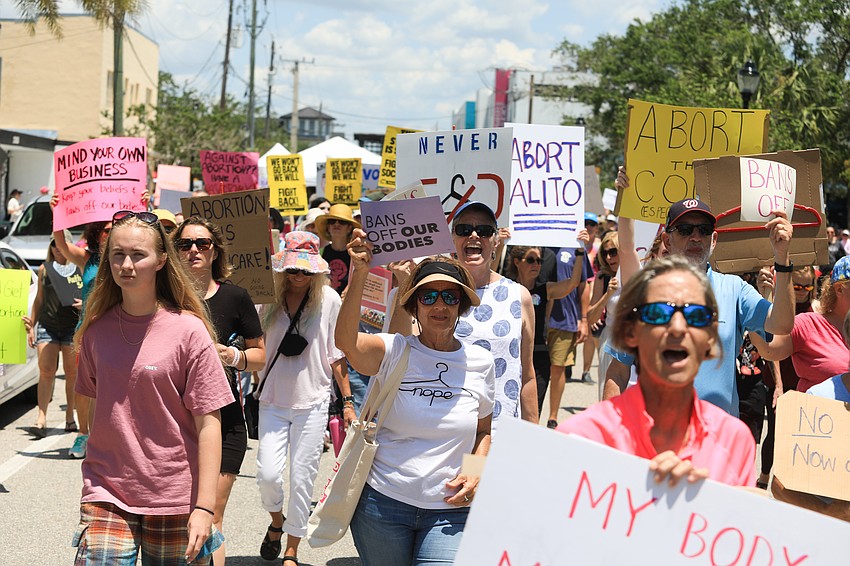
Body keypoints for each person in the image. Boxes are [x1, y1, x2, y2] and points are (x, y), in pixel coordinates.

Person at [72, 210, 233, 564]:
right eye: (118, 254)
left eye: (138, 255)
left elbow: (209, 423)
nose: (126, 265)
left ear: (161, 260)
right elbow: (98, 407)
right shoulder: (96, 332)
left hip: (174, 493)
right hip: (106, 489)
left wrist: (205, 507)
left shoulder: (189, 331)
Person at [336, 242, 495, 565]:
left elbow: (483, 432)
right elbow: (346, 343)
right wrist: (361, 272)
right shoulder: (394, 350)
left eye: (450, 296)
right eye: (429, 296)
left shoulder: (481, 362)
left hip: (450, 511)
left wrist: (477, 471)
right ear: (414, 305)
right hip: (382, 506)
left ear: (462, 305)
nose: (440, 305)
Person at [607, 169, 795, 415]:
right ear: (667, 240)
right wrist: (608, 431)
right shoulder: (645, 290)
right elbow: (618, 371)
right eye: (685, 230)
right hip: (653, 440)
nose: (696, 236)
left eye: (704, 230)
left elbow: (781, 325)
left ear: (714, 240)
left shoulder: (734, 289)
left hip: (715, 442)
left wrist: (782, 258)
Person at [558, 256, 756, 487]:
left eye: (696, 315)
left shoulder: (735, 441)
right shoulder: (580, 438)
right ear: (630, 333)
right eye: (659, 313)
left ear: (710, 338)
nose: (678, 328)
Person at [255, 231, 355, 566]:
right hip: (271, 399)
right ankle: (276, 522)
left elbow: (336, 353)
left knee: (302, 479)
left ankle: (292, 549)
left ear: (317, 272)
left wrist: (348, 401)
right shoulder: (265, 298)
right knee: (268, 476)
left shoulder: (329, 299)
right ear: (282, 268)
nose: (299, 276)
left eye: (306, 271)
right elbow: (251, 342)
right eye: (293, 269)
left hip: (312, 401)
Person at [173, 216, 267, 565]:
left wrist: (233, 355)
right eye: (185, 244)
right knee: (179, 519)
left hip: (226, 422)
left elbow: (260, 356)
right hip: (176, 424)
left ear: (215, 252)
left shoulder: (235, 296)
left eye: (203, 243)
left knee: (210, 516)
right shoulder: (165, 298)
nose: (194, 249)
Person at [450, 201, 537, 427]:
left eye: (485, 231)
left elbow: (527, 374)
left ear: (496, 241)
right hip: (447, 434)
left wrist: (533, 433)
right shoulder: (434, 293)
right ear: (452, 239)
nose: (474, 235)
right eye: (464, 230)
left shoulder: (519, 296)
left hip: (500, 430)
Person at [770, 310, 850, 521]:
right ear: (847, 339)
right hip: (828, 535)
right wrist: (826, 511)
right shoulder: (818, 399)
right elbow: (780, 485)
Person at [505, 236, 587, 416]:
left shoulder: (545, 289)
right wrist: (500, 243)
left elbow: (573, 283)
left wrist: (580, 250)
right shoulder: (506, 287)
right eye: (531, 260)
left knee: (534, 409)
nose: (537, 264)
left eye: (540, 261)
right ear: (517, 262)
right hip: (512, 355)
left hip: (540, 355)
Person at [750, 255, 850, 393]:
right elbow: (769, 349)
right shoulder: (809, 325)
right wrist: (759, 302)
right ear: (839, 289)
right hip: (818, 412)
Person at [21, 230, 82, 438]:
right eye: (54, 245)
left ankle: (69, 418)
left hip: (71, 328)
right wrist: (32, 326)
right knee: (46, 371)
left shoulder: (79, 269)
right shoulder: (43, 270)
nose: (57, 249)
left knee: (72, 373)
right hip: (47, 326)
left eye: (61, 244)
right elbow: (39, 299)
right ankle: (41, 418)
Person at [587, 231, 621, 400]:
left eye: (613, 252)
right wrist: (607, 295)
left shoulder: (640, 273)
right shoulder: (603, 277)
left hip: (637, 341)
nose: (609, 257)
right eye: (605, 253)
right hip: (611, 341)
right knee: (609, 394)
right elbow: (591, 317)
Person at [314, 203, 361, 294]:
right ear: (328, 227)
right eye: (332, 221)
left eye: (342, 222)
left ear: (349, 228)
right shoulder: (319, 253)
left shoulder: (356, 254)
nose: (336, 224)